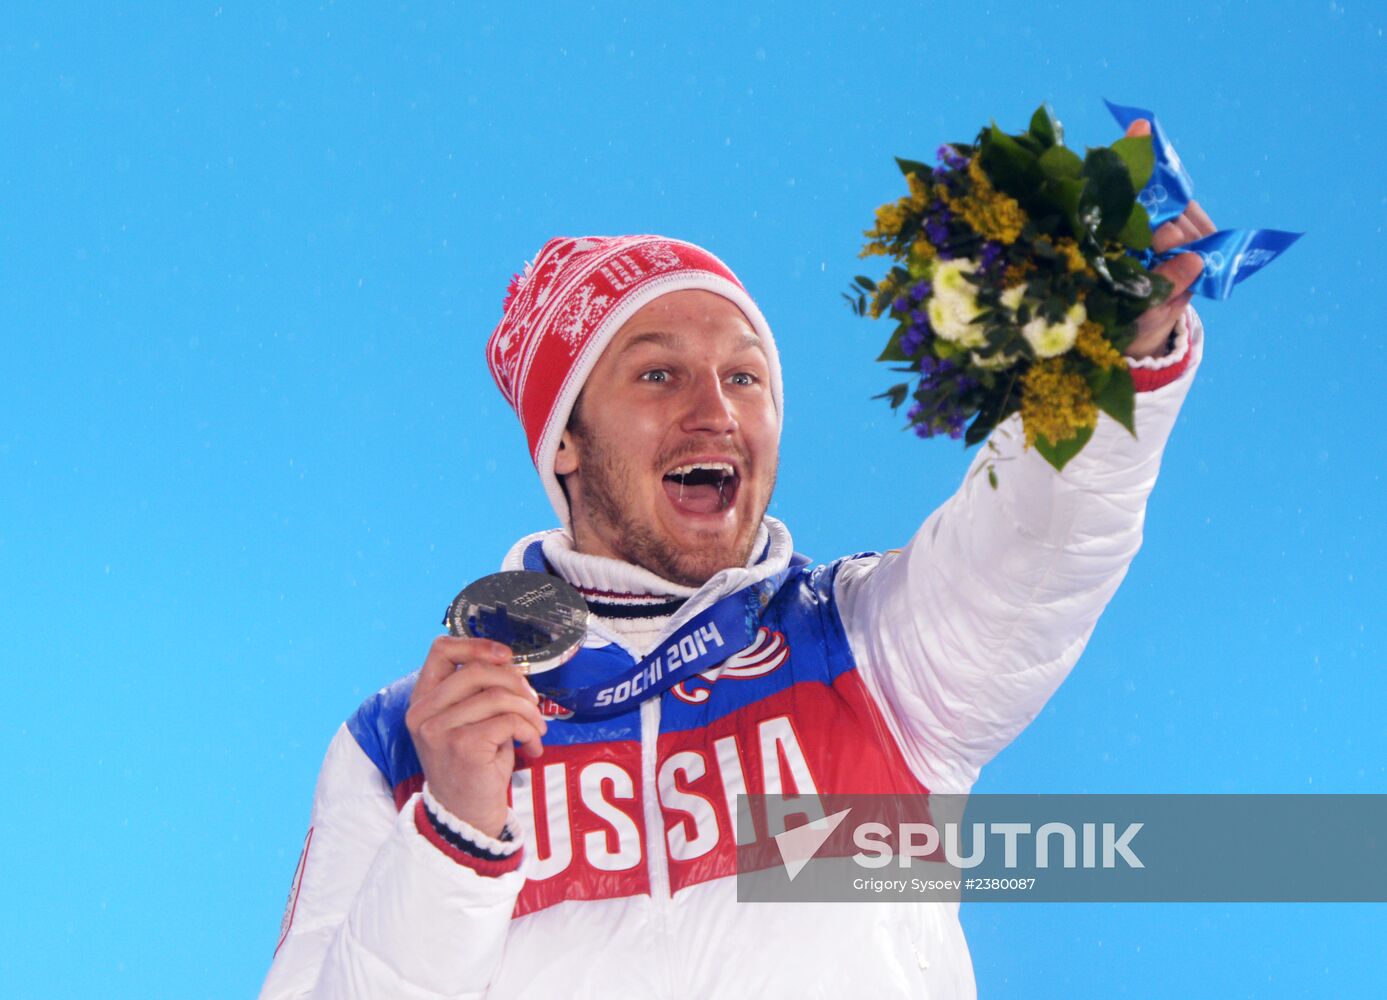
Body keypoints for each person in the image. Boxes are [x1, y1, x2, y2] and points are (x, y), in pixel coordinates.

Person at [259, 154, 1215, 999]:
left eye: (745, 376)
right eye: (657, 375)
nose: (716, 411)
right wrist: (455, 842)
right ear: (564, 444)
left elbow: (1041, 542)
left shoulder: (870, 649)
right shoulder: (411, 742)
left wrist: (1109, 359)